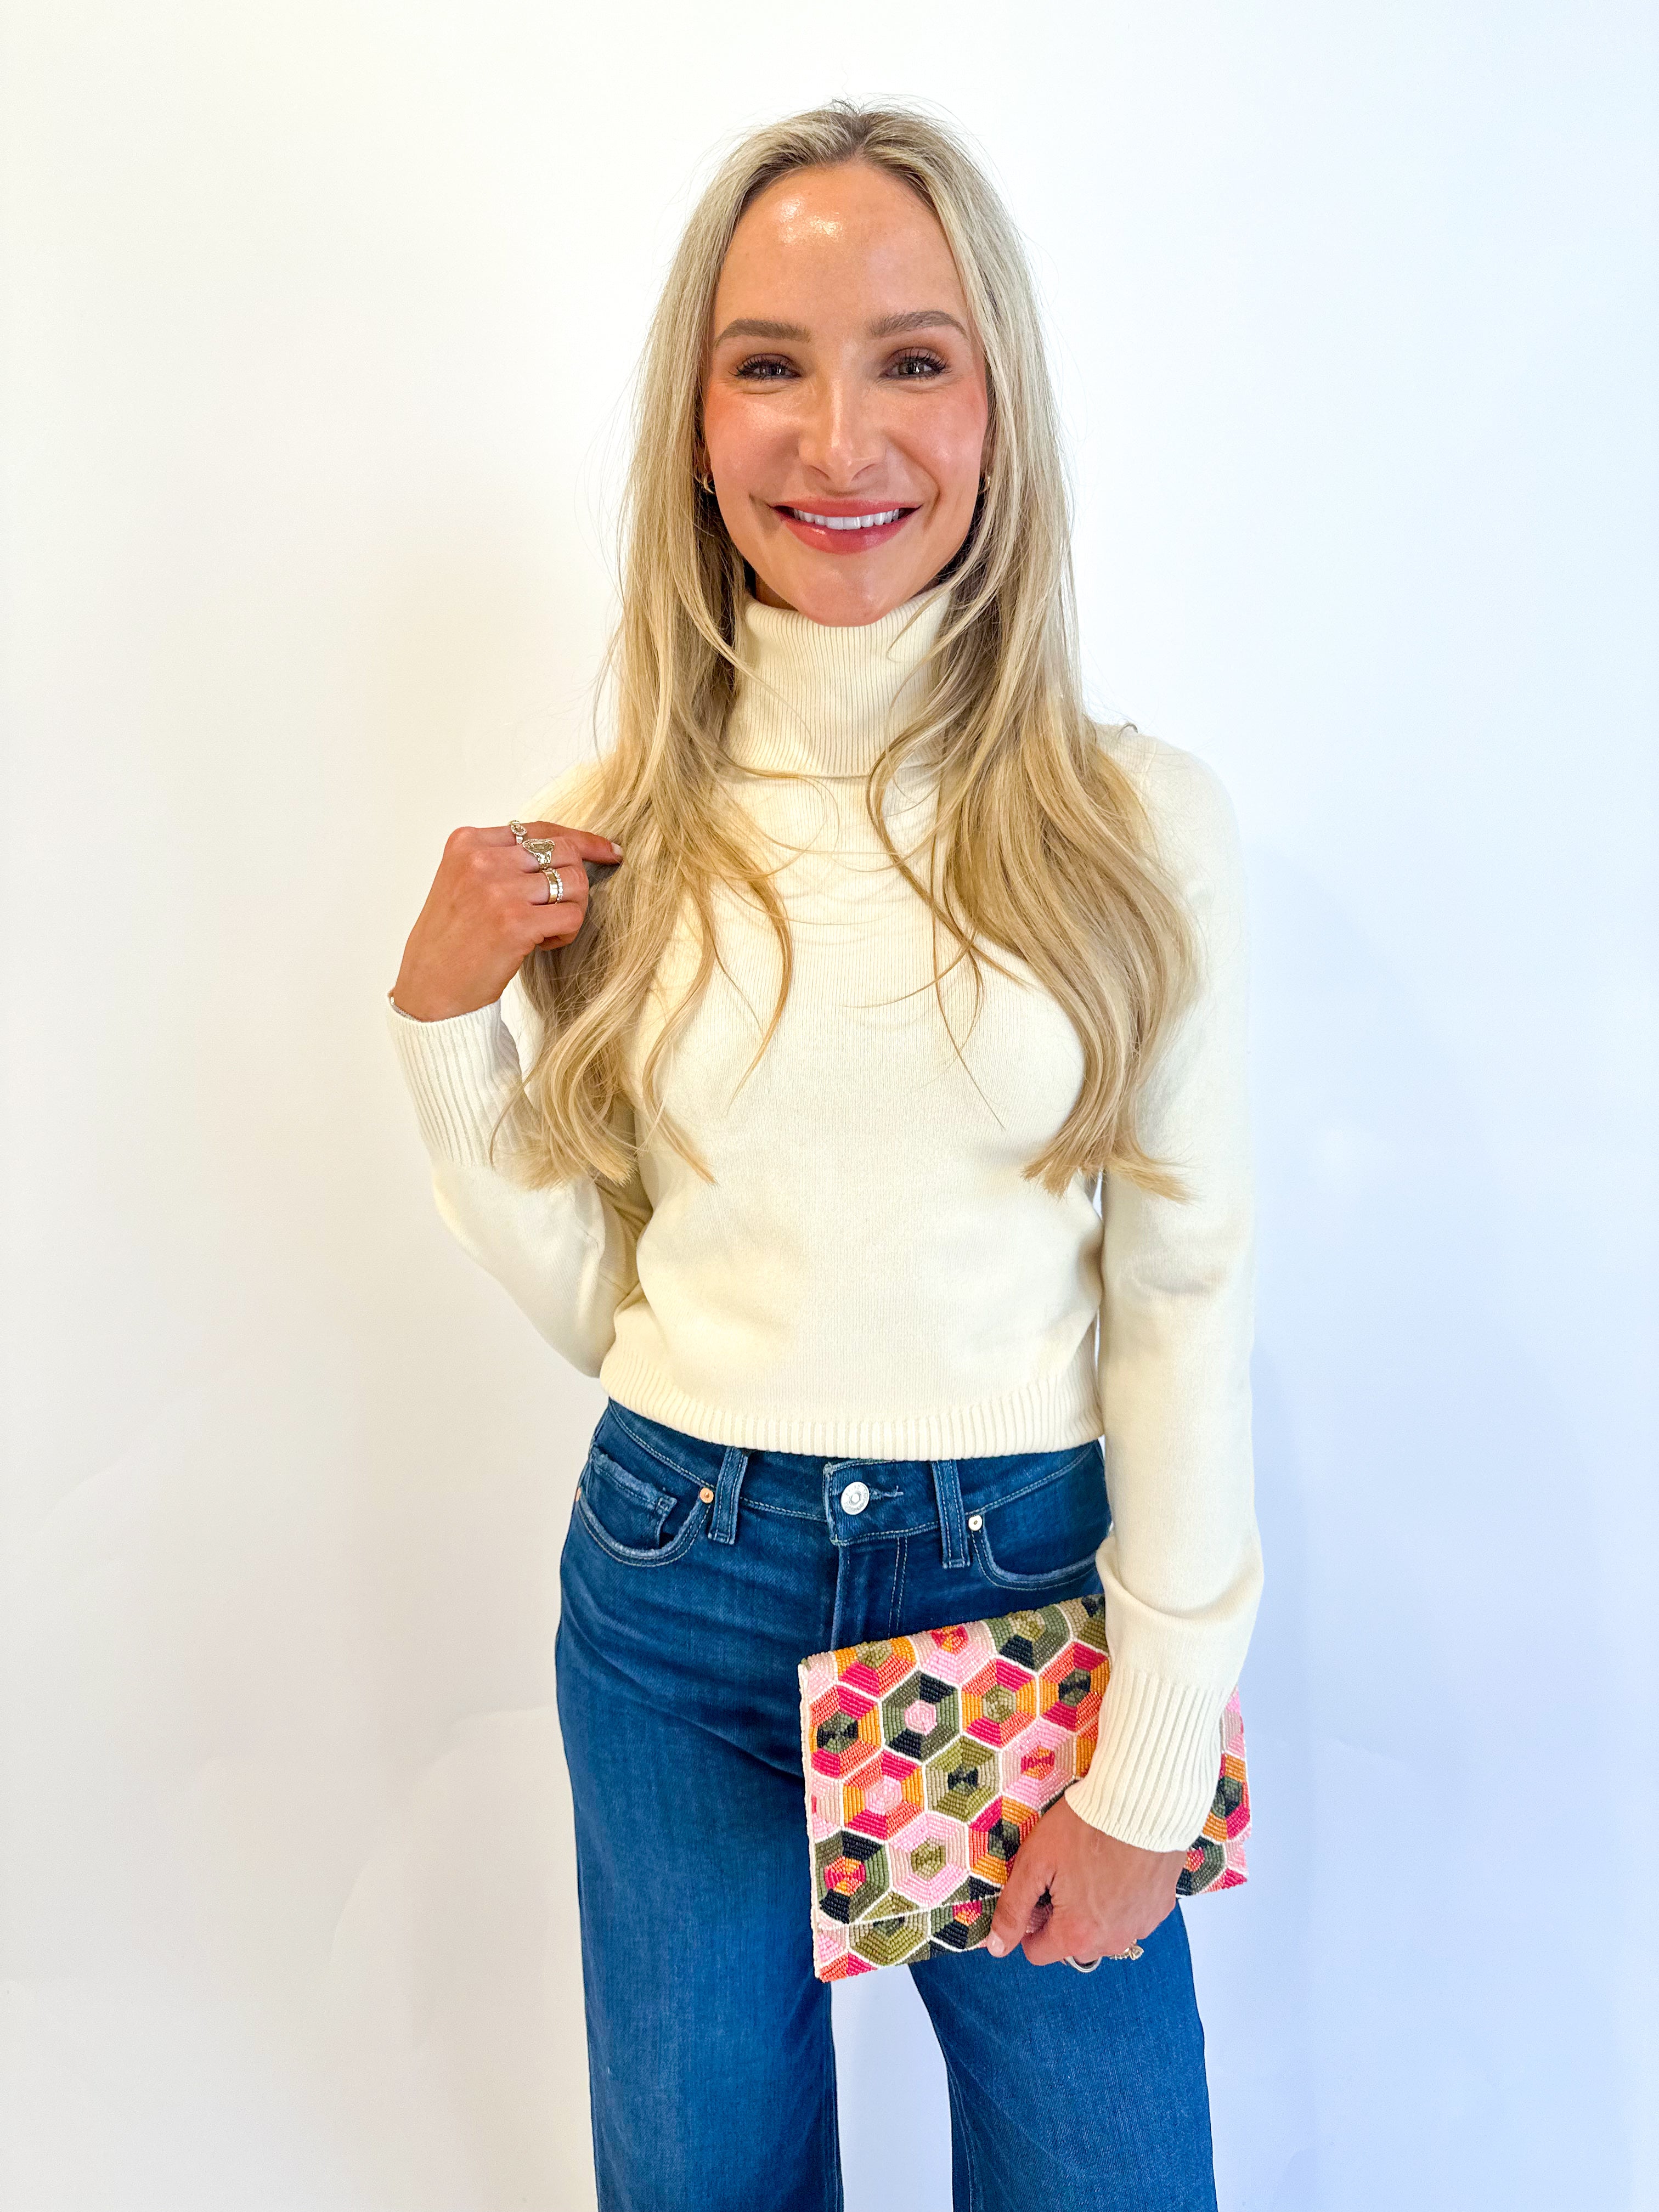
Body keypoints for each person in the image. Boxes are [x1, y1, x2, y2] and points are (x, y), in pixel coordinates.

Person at [385, 99, 1262, 2212]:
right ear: (697, 427)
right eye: (768, 363)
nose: (837, 439)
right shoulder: (616, 829)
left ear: (999, 408)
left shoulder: (1132, 826)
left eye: (912, 360)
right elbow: (620, 1304)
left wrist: (1151, 1757)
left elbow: (1181, 1299)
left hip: (1022, 1595)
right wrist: (443, 1028)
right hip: (678, 1587)